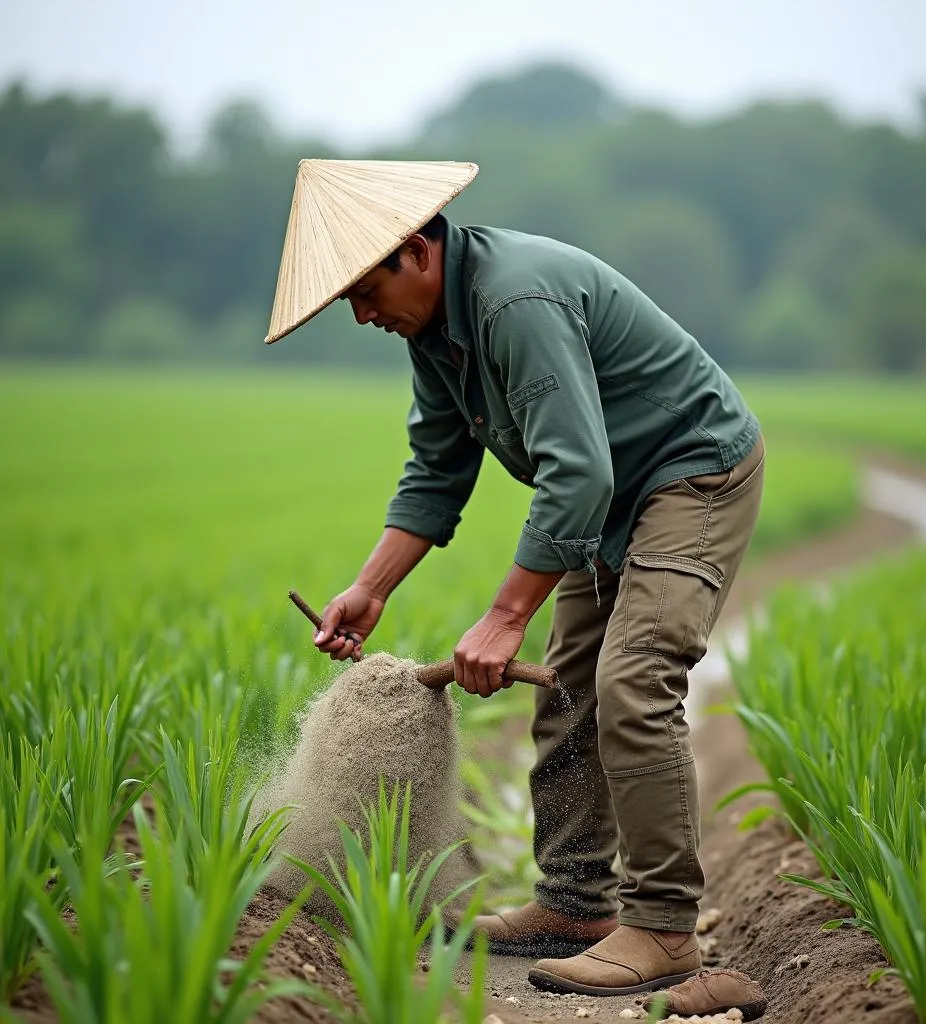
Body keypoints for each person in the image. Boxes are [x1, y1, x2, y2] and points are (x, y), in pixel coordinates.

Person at [265, 160, 768, 1018]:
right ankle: (576, 907)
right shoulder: (436, 331)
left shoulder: (512, 302)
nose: (361, 315)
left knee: (633, 684)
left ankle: (665, 928)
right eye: (344, 300)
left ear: (416, 252)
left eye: (363, 291)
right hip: (612, 500)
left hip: (691, 473)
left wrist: (504, 617)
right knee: (574, 686)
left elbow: (575, 472)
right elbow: (436, 469)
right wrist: (369, 588)